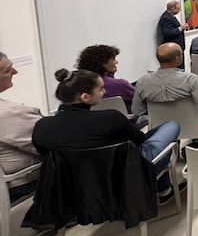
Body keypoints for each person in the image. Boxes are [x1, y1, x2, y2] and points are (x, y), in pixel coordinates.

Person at [33, 68, 182, 201]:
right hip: (125, 179)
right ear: (85, 97)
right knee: (170, 126)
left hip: (76, 187)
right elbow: (140, 140)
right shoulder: (110, 118)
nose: (104, 93)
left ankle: (163, 189)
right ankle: (164, 190)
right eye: (101, 89)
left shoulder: (42, 127)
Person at [0, 51, 42, 200]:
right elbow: (51, 143)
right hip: (22, 184)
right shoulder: (9, 113)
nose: (15, 72)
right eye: (7, 70)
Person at [131, 43, 198, 118]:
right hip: (192, 130)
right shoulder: (191, 80)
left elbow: (136, 111)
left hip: (160, 130)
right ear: (177, 59)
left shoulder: (143, 82)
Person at [76, 45, 135, 113]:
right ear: (103, 63)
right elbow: (140, 100)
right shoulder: (120, 85)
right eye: (113, 59)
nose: (116, 62)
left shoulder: (77, 86)